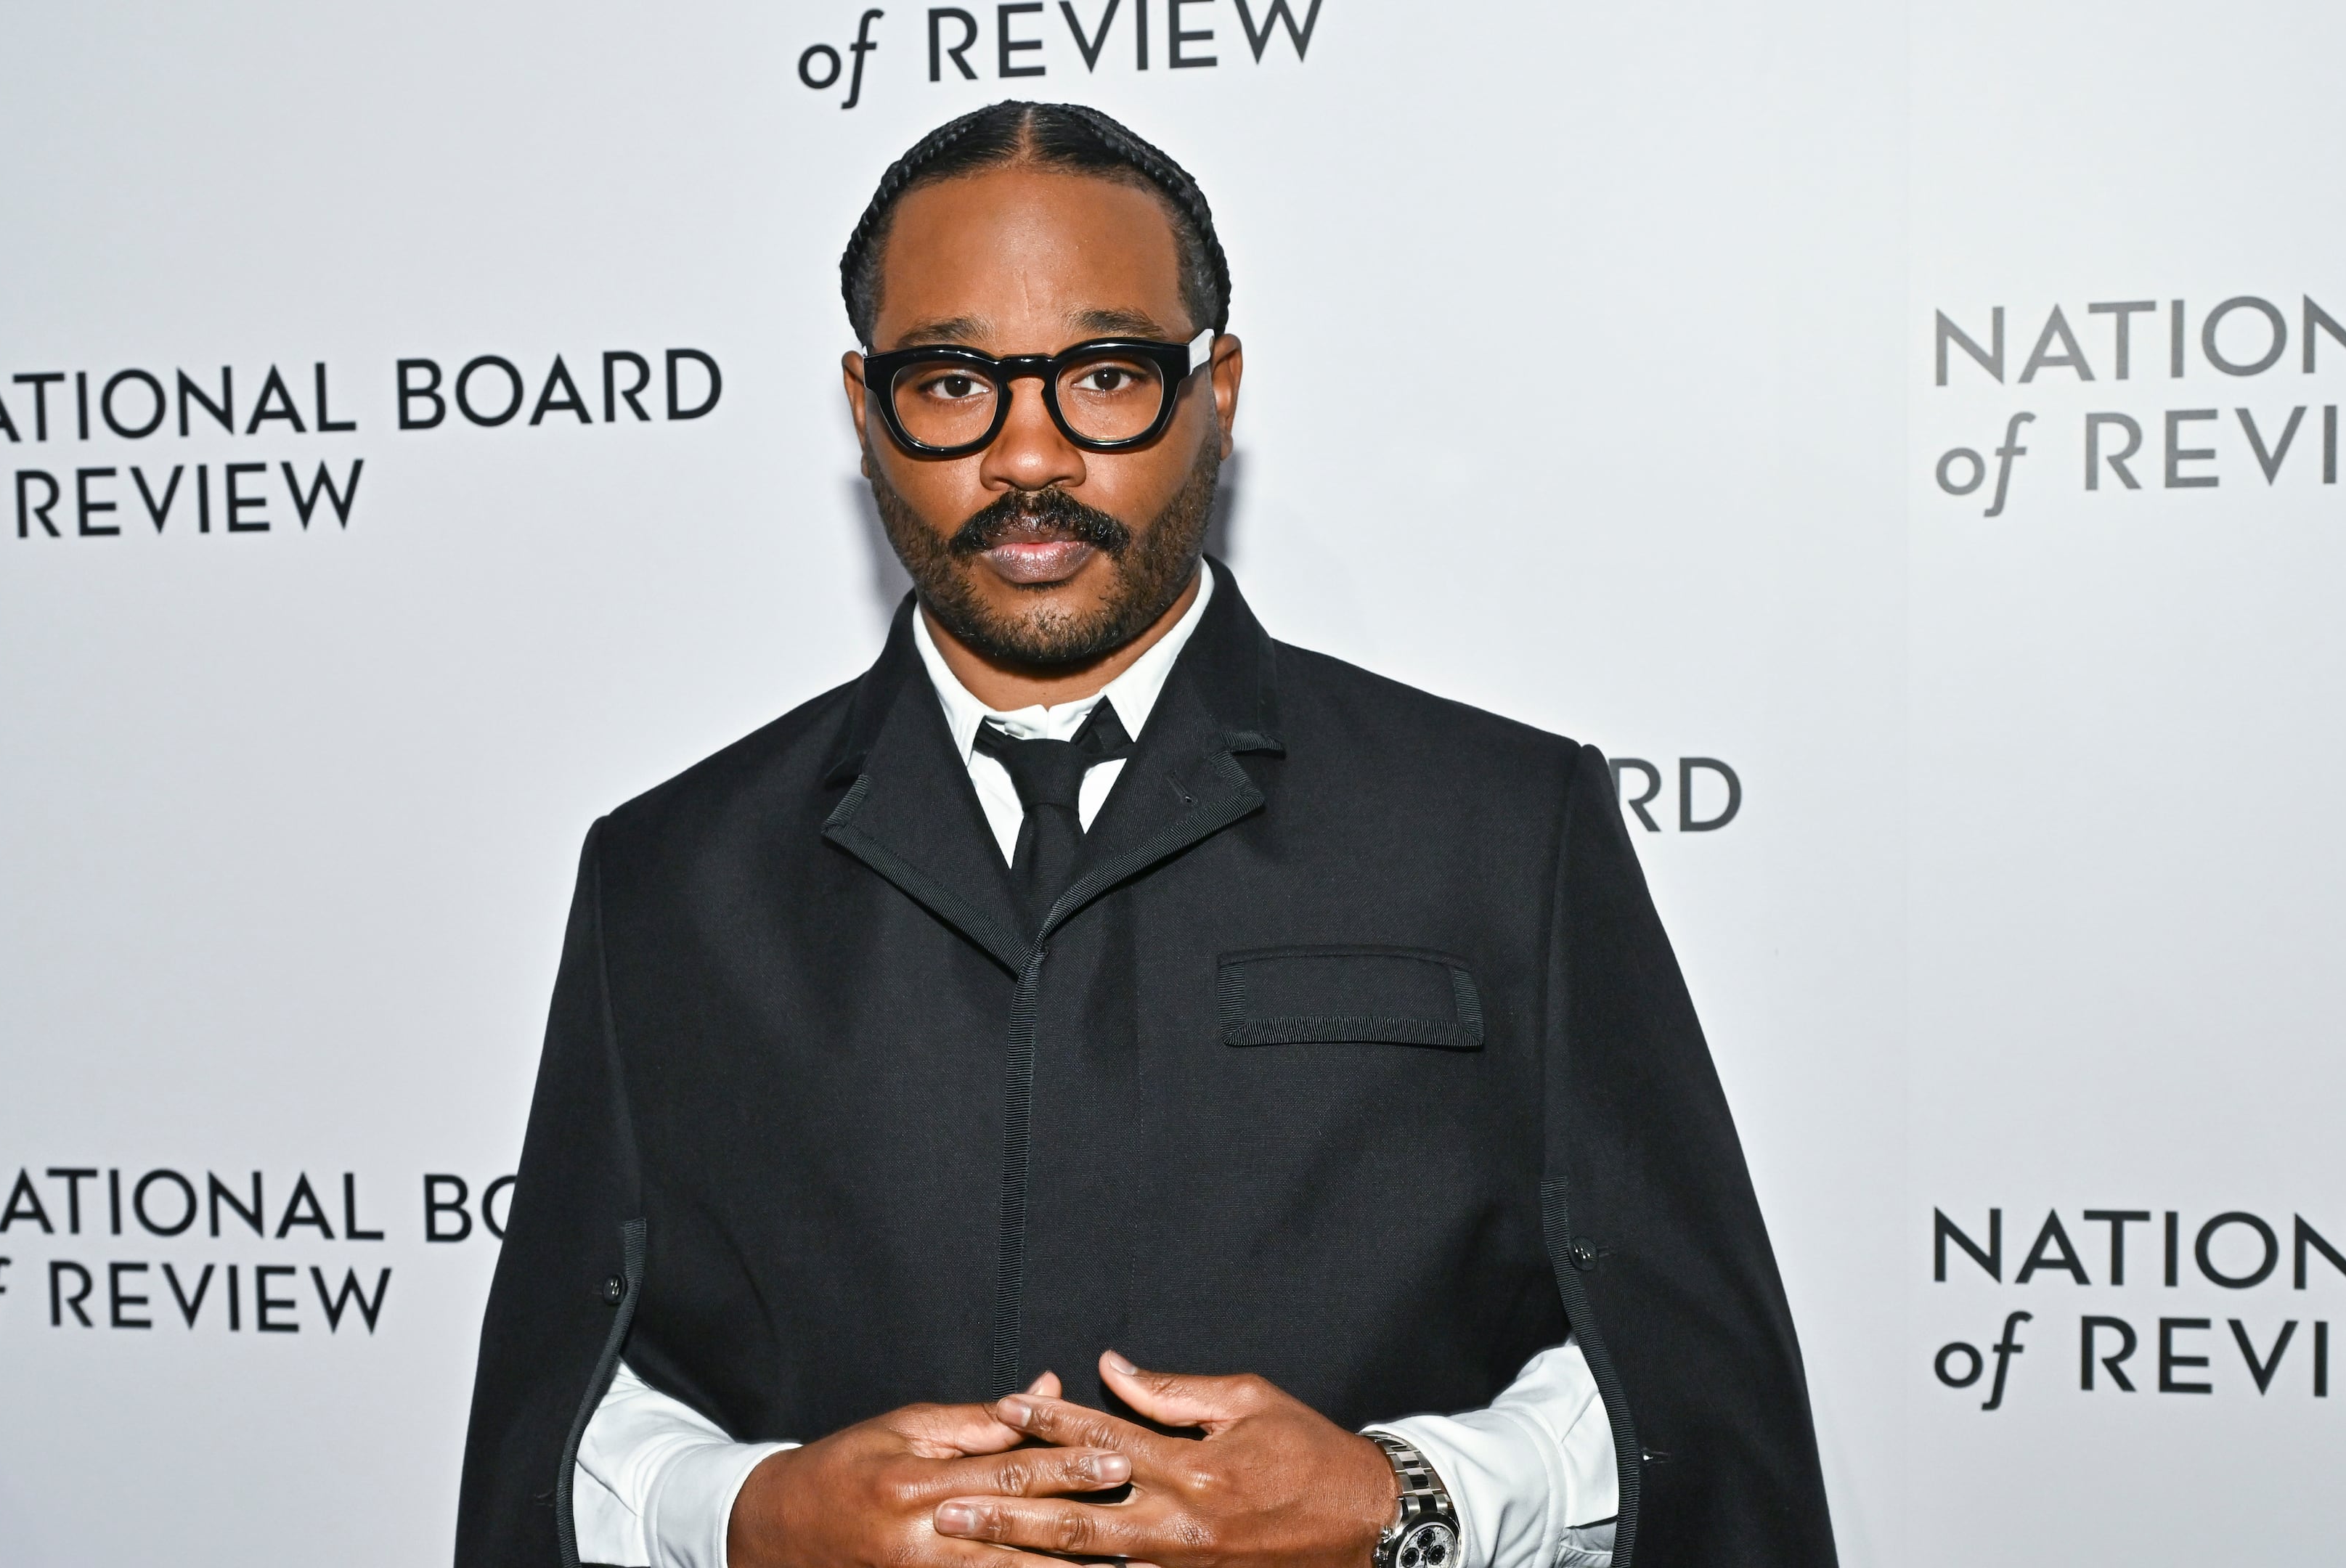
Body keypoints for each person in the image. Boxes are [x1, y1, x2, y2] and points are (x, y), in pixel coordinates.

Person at [457, 100, 1836, 1568]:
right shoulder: (673, 877)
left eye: (1104, 376)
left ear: (1217, 392)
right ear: (868, 410)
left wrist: (1404, 1503)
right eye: (952, 383)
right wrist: (743, 1517)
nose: (1030, 455)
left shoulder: (1503, 829)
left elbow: (1695, 1390)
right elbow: (562, 1416)